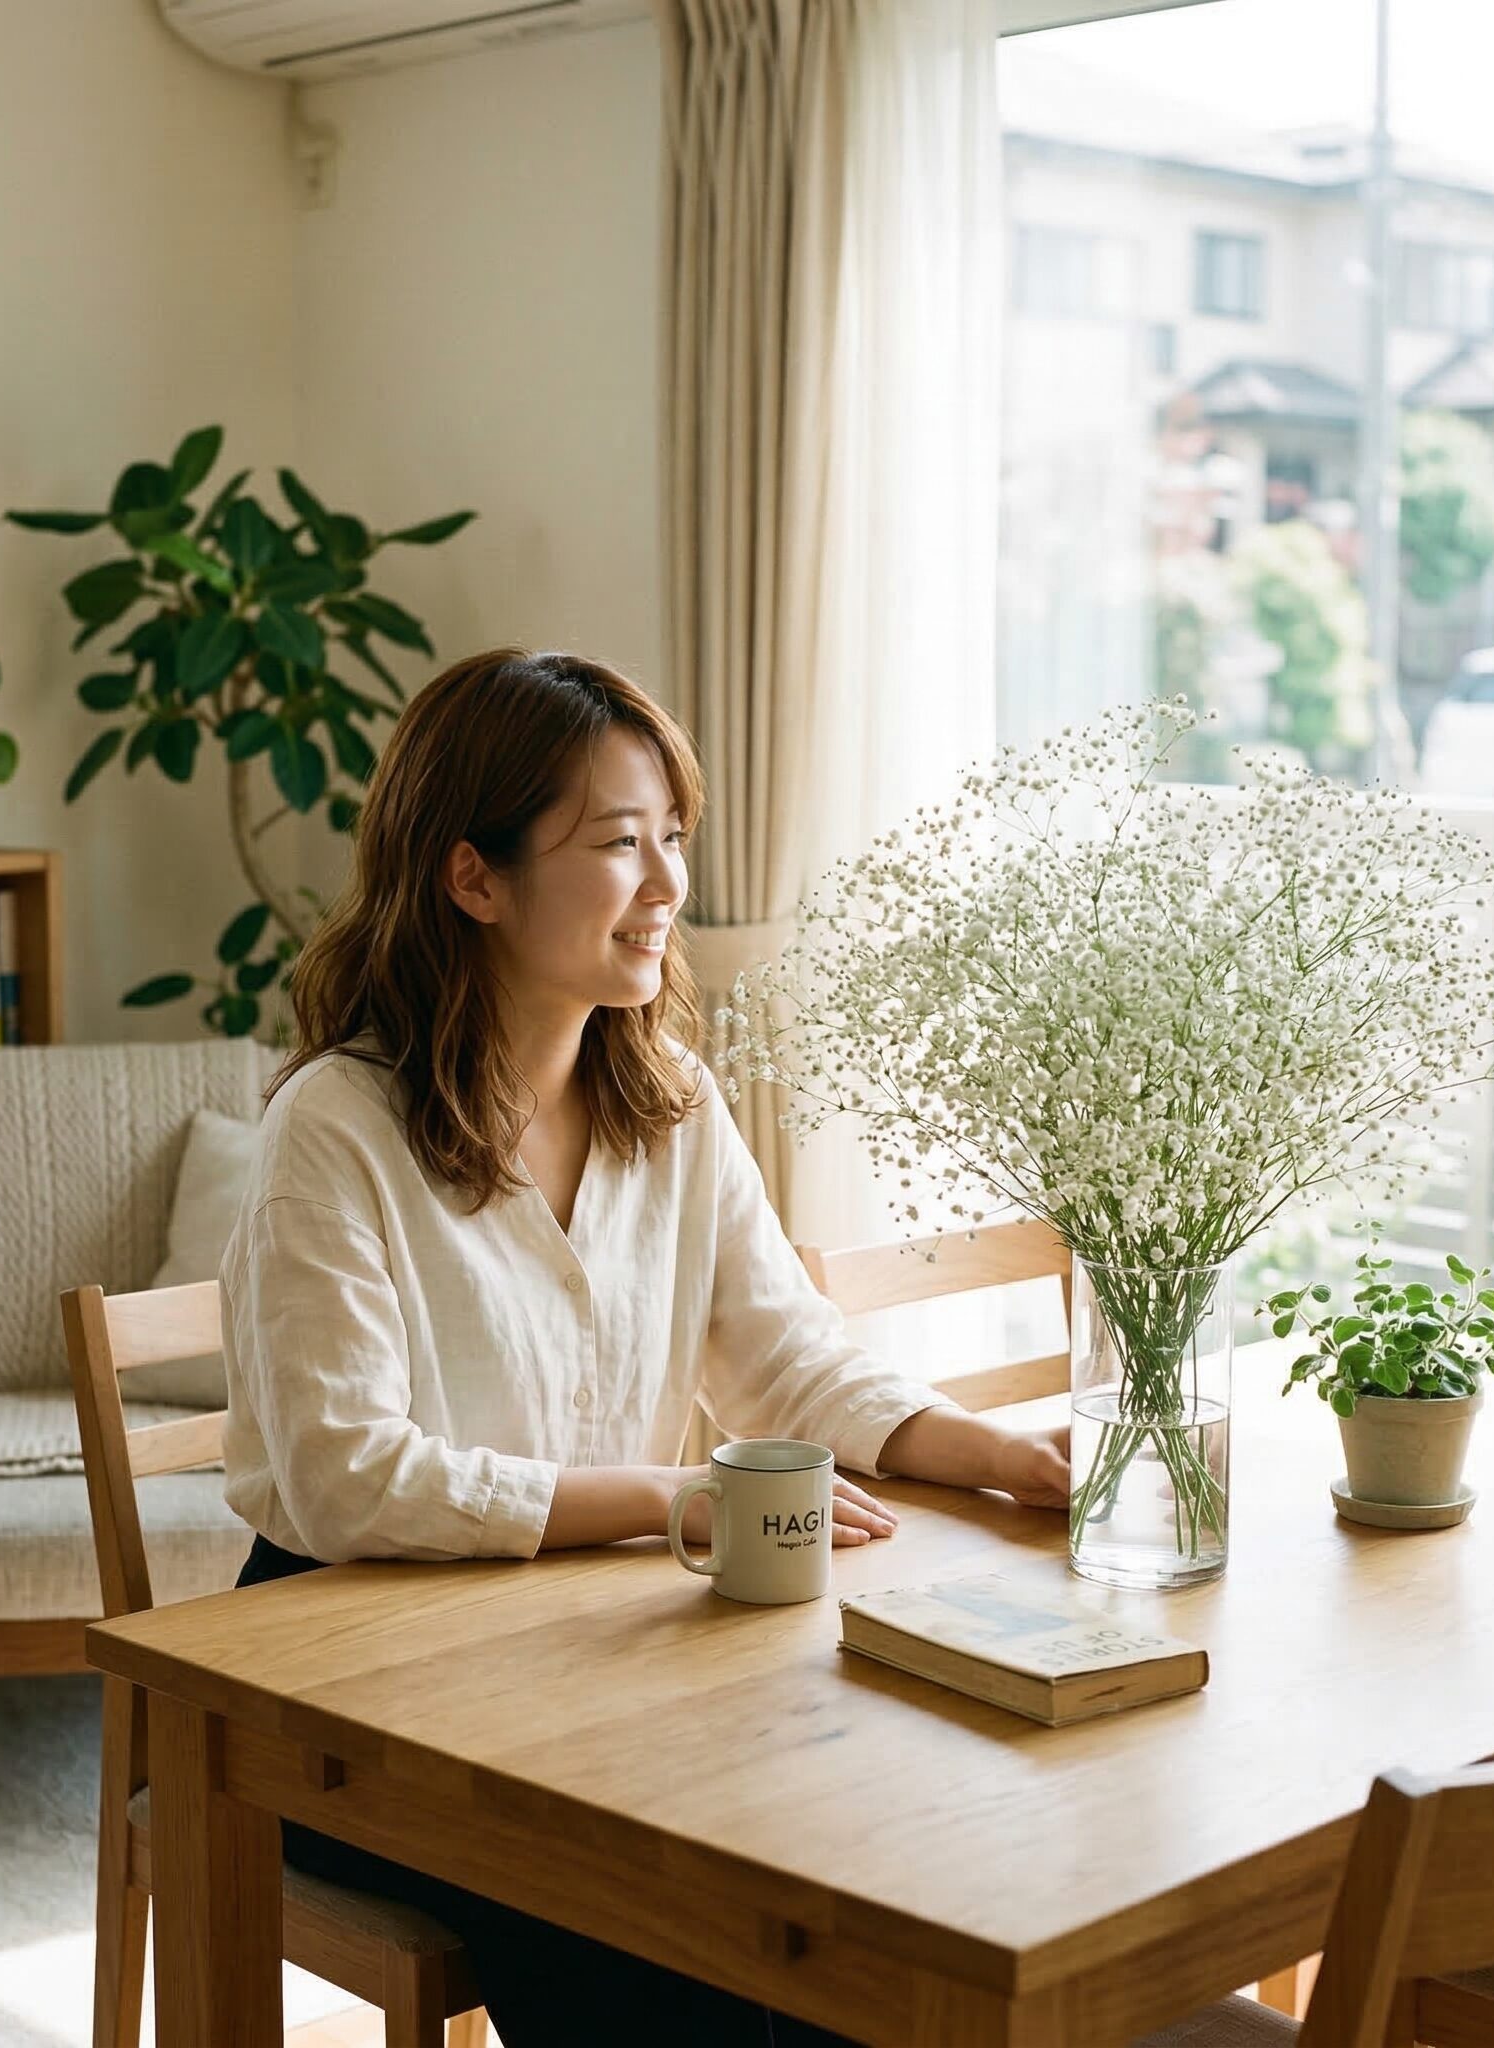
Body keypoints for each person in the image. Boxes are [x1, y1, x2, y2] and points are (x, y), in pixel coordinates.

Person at [221, 647, 1070, 2047]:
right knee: (674, 1940)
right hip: (346, 1685)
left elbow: (783, 1358)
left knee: (861, 1877)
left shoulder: (666, 1102)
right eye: (619, 843)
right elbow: (341, 1479)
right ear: (471, 876)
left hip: (588, 1641)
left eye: (672, 836)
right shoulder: (334, 1128)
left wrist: (980, 1449)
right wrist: (677, 1500)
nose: (670, 882)